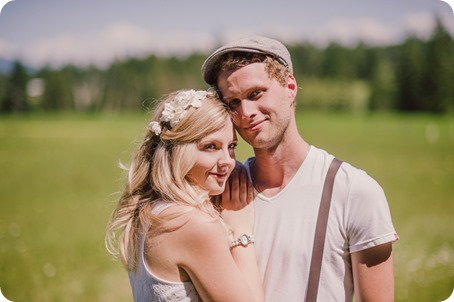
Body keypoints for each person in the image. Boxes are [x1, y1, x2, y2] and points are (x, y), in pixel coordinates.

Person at [201, 36, 399, 301]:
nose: (246, 111)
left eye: (256, 94)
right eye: (233, 102)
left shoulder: (355, 191)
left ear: (290, 86)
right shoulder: (222, 190)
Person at [105, 89, 264, 302]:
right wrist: (241, 231)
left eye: (231, 146)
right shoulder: (191, 224)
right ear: (179, 151)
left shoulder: (150, 211)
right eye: (210, 147)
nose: (228, 160)